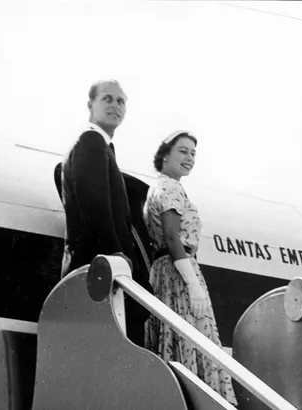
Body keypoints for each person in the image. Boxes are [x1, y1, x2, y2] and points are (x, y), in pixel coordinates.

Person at [143, 131, 237, 405]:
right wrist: (193, 284)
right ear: (165, 155)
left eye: (193, 153)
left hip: (165, 271)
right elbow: (173, 238)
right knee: (193, 338)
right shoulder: (170, 187)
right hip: (179, 272)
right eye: (182, 151)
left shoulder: (159, 187)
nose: (189, 158)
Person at [57, 79, 150, 346]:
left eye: (121, 101)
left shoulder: (101, 145)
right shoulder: (91, 140)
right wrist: (115, 252)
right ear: (91, 105)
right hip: (101, 265)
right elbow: (94, 203)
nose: (115, 106)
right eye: (107, 99)